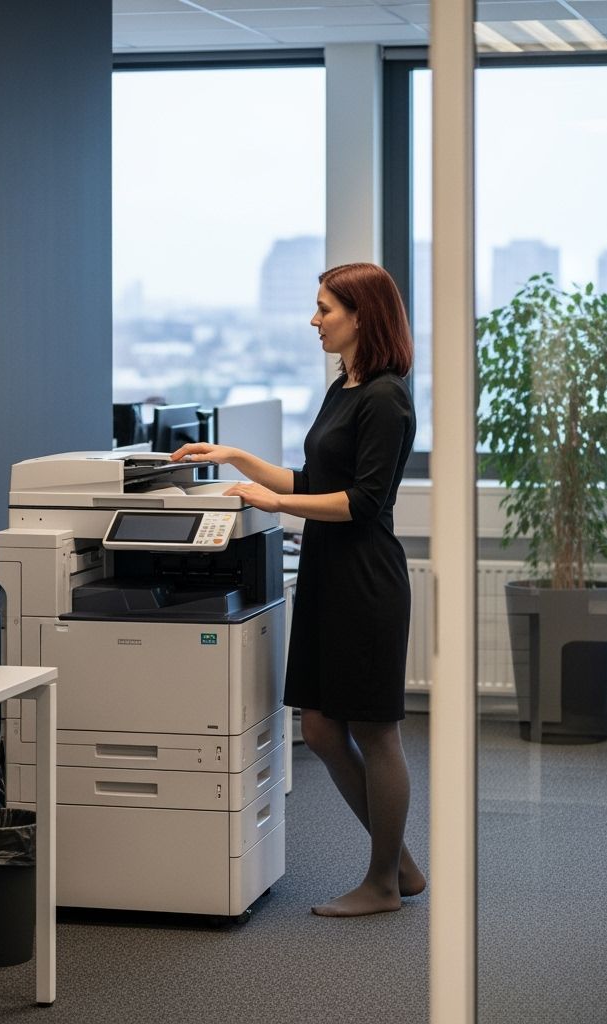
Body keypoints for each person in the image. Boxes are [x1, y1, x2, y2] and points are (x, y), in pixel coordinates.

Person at [170, 262, 425, 917]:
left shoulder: (386, 397)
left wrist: (274, 503)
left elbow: (363, 503)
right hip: (326, 576)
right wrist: (233, 458)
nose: (314, 320)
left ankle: (383, 882)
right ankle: (399, 863)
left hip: (365, 579)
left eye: (325, 309)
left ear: (362, 316)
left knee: (375, 730)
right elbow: (310, 479)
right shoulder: (345, 387)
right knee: (318, 726)